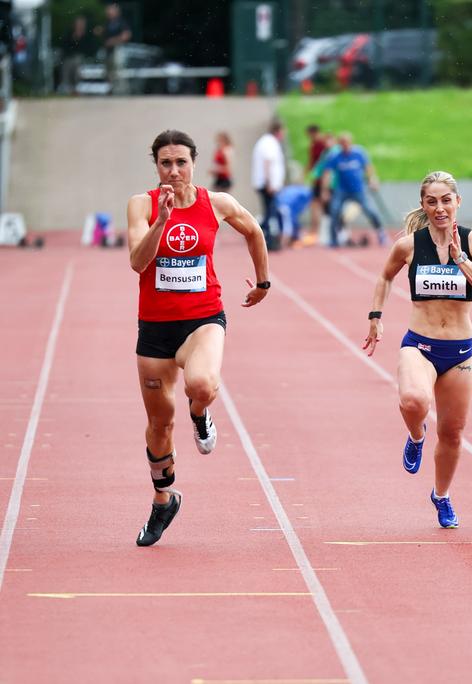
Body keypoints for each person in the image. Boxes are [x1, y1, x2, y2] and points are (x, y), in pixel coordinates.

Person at [127, 129, 270, 547]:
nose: (173, 171)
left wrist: (263, 281)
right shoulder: (142, 204)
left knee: (202, 384)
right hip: (154, 327)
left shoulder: (217, 203)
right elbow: (138, 262)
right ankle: (163, 499)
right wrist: (162, 222)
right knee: (158, 424)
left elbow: (254, 232)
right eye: (165, 163)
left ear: (194, 163)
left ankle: (200, 412)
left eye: (181, 162)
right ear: (156, 166)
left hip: (203, 317)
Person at [363, 170, 472, 528]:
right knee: (413, 402)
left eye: (446, 200)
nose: (439, 208)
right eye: (432, 201)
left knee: (452, 433)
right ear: (423, 204)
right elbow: (386, 276)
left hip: (459, 351)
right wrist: (376, 315)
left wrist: (461, 259)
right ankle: (416, 436)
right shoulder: (409, 245)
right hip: (419, 344)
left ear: (457, 203)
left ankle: (441, 496)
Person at [317, 132, 387, 247]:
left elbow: (368, 167)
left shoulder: (359, 153)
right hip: (341, 190)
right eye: (342, 144)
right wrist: (325, 190)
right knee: (334, 210)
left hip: (358, 189)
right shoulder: (335, 156)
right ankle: (333, 239)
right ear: (339, 144)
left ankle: (381, 234)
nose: (345, 146)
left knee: (370, 211)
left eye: (347, 143)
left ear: (351, 142)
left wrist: (373, 180)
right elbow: (327, 173)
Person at [251, 120, 286, 251]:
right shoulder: (269, 143)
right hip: (267, 185)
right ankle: (266, 239)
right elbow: (268, 162)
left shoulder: (267, 142)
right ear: (278, 131)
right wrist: (269, 182)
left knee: (270, 213)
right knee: (270, 214)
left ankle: (263, 237)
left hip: (266, 184)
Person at [95, 2, 132, 93]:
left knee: (118, 70)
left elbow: (127, 35)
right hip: (108, 51)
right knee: (108, 72)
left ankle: (122, 90)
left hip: (117, 49)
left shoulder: (121, 22)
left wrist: (113, 41)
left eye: (111, 10)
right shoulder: (107, 23)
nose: (108, 12)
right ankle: (111, 90)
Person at [59, 14, 98, 95]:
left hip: (83, 58)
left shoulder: (88, 35)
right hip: (69, 57)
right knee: (68, 64)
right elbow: (65, 47)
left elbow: (90, 49)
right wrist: (74, 39)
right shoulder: (69, 34)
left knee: (77, 62)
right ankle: (67, 87)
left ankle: (76, 87)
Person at [302, 124, 326, 246]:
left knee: (319, 206)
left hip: (323, 181)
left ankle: (317, 231)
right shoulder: (315, 145)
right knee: (316, 205)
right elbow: (311, 162)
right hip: (318, 180)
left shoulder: (321, 145)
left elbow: (319, 163)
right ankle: (315, 231)